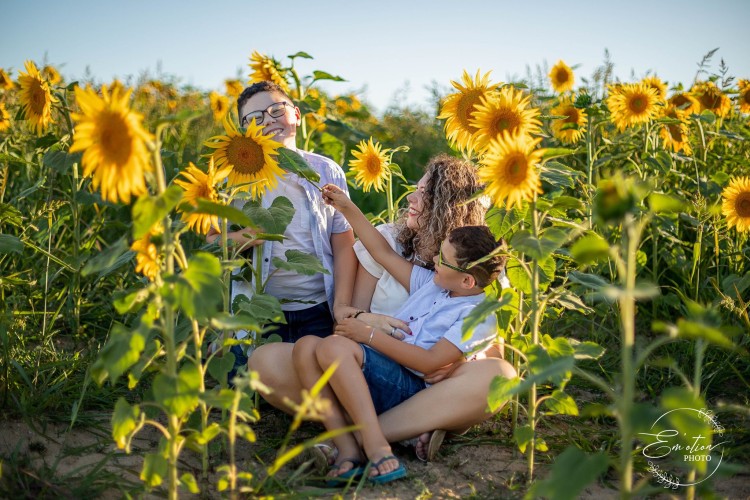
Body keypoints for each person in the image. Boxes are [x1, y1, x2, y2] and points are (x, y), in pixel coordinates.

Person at [248, 155, 513, 462]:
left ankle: (357, 439)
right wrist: (366, 322)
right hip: (366, 368)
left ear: (446, 207)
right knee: (267, 359)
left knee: (499, 376)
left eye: (424, 193)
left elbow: (489, 351)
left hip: (424, 384)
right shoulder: (423, 272)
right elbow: (372, 269)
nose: (411, 198)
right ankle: (407, 430)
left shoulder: (479, 264)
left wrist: (460, 358)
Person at [207, 81, 357, 359]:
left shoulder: (325, 170)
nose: (268, 120)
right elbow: (213, 242)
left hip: (317, 308)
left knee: (325, 378)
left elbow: (344, 244)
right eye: (254, 118)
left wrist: (342, 306)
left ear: (297, 115)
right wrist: (249, 236)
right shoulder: (231, 179)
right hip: (256, 310)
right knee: (247, 386)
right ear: (244, 130)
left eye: (277, 109)